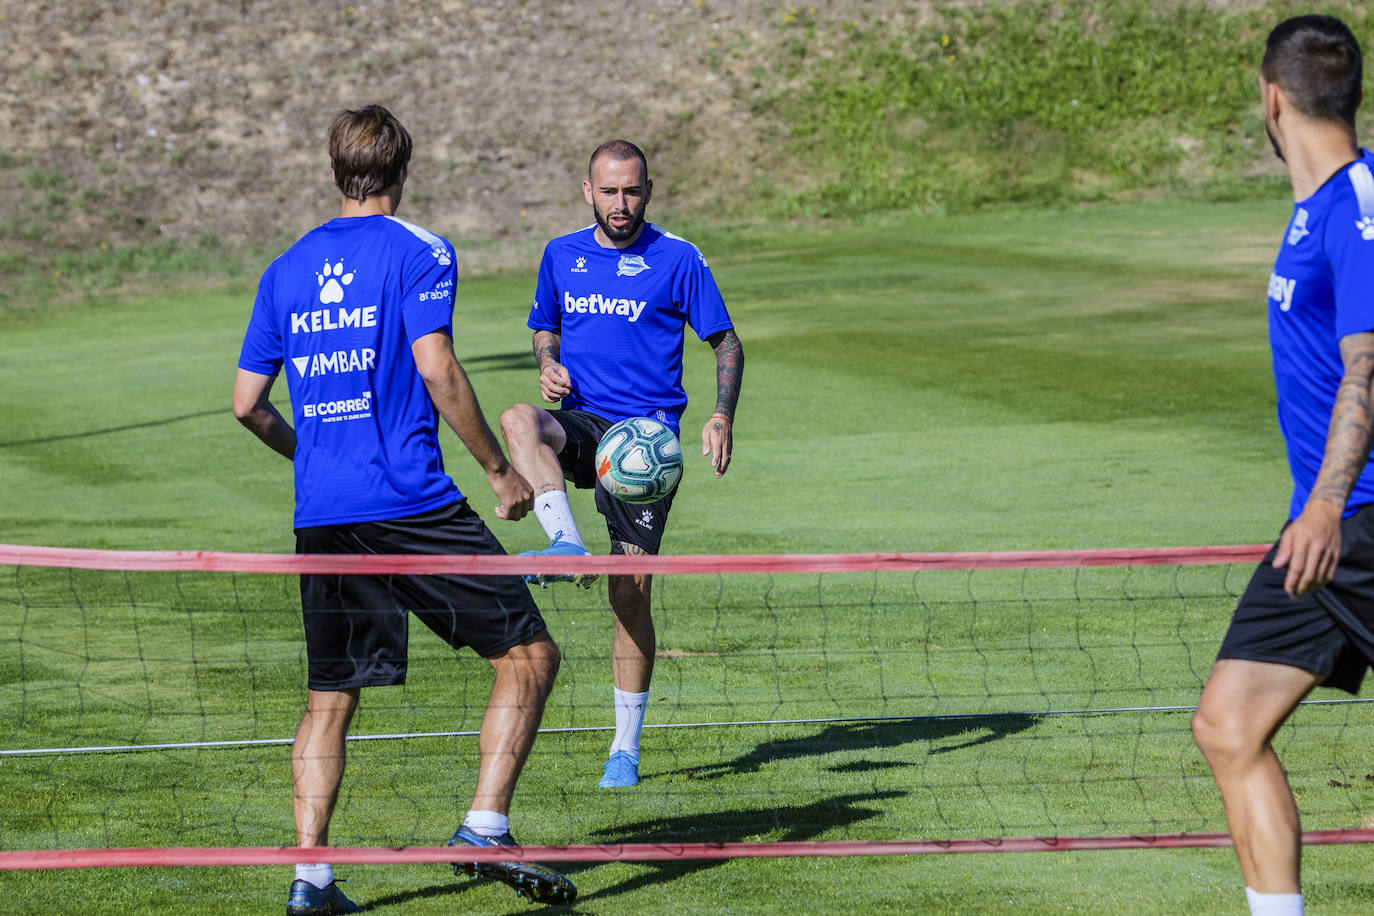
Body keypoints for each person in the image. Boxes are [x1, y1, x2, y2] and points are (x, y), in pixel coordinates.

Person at [232, 104, 575, 912]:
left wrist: (311, 455)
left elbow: (246, 403)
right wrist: (498, 468)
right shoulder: (420, 251)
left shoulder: (284, 269)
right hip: (411, 504)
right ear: (403, 168)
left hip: (323, 514)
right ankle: (485, 826)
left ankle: (310, 880)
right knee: (529, 656)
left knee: (330, 698)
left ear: (333, 170)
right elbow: (438, 367)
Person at [1191, 16, 1374, 916]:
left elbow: (1367, 367)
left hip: (1358, 524)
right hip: (1325, 535)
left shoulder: (1360, 208)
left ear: (1272, 96)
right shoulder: (1318, 206)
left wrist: (1330, 505)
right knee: (1229, 723)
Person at [499, 139, 744, 789]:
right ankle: (564, 542)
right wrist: (546, 362)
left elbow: (726, 341)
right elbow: (544, 326)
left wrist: (721, 414)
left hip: (645, 445)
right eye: (609, 191)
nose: (620, 203)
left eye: (631, 190)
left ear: (648, 190)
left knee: (628, 593)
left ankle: (625, 749)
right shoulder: (562, 254)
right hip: (582, 422)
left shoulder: (678, 258)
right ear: (589, 192)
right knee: (519, 419)